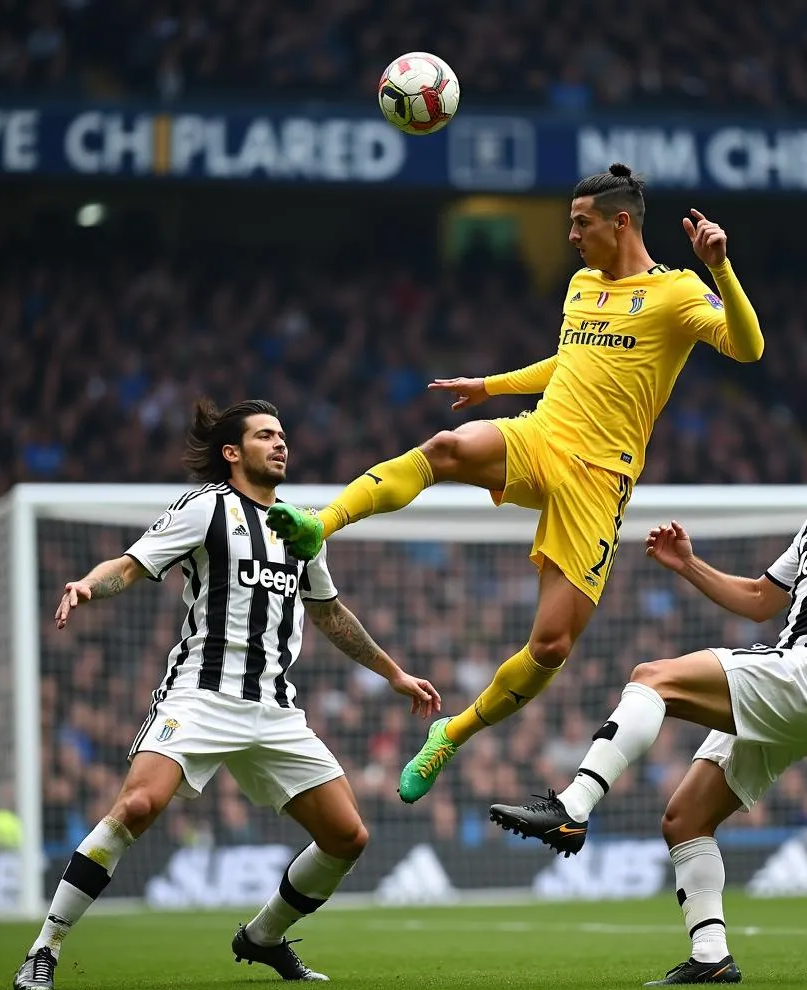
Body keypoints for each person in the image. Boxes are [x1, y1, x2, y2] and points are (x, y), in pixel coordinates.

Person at [268, 163, 766, 803]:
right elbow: (574, 359)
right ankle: (320, 523)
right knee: (446, 448)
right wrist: (492, 386)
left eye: (580, 224)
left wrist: (721, 267)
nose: (570, 236)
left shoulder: (677, 293)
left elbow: (746, 347)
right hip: (543, 438)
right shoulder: (583, 284)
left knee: (551, 646)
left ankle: (452, 731)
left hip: (599, 479)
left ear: (621, 224)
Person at [489, 396, 807, 985]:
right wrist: (689, 566)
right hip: (795, 692)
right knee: (684, 820)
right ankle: (711, 960)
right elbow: (758, 600)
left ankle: (572, 807)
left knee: (653, 678)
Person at [13, 398, 440, 990]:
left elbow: (329, 612)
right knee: (136, 808)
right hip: (200, 697)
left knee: (348, 837)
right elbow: (133, 566)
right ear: (233, 453)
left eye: (284, 435)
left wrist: (392, 673)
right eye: (266, 436)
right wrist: (88, 584)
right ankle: (46, 946)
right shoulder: (205, 509)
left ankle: (262, 938)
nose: (281, 443)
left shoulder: (300, 524)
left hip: (274, 708)